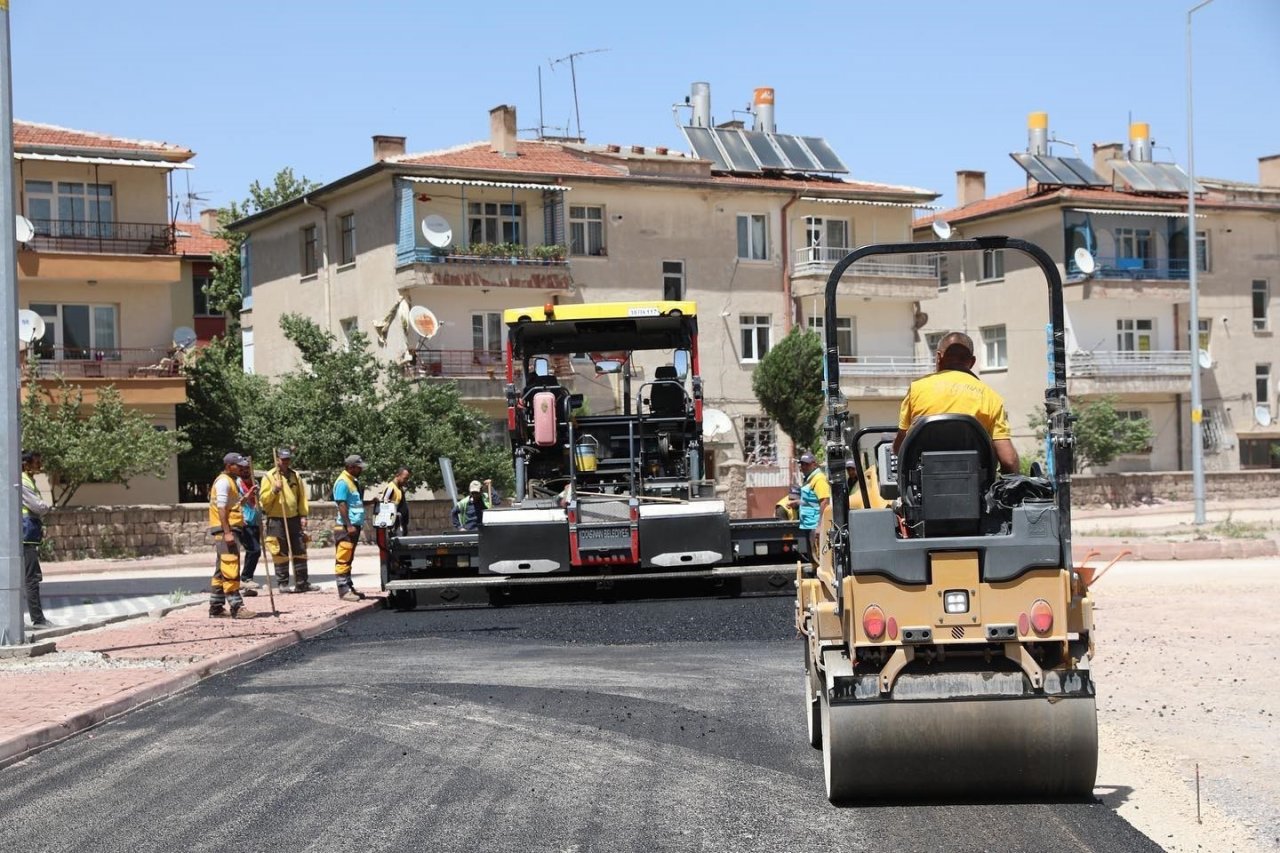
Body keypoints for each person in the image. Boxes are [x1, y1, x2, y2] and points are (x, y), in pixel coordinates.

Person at [892, 331, 1019, 474]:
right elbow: (1009, 460)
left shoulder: (917, 389)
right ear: (972, 362)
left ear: (938, 357)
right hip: (976, 485)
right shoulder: (991, 397)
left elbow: (899, 448)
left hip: (923, 486)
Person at [207, 452, 255, 619]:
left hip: (230, 529)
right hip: (225, 530)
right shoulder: (223, 482)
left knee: (221, 570)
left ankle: (216, 607)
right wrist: (227, 532)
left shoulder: (231, 481)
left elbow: (232, 506)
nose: (242, 468)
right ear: (229, 466)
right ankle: (237, 607)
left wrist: (247, 497)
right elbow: (221, 509)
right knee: (231, 567)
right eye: (239, 466)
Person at [259, 448, 313, 593]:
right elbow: (263, 500)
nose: (285, 462)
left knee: (300, 549)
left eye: (288, 459)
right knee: (280, 551)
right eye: (283, 459)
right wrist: (274, 490)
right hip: (277, 519)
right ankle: (283, 583)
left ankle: (302, 582)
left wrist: (303, 515)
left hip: (294, 518)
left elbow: (301, 497)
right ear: (277, 460)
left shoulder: (295, 475)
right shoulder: (269, 477)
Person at [20, 450, 51, 628]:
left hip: (27, 534)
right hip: (26, 534)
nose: (40, 466)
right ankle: (38, 620)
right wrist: (46, 506)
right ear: (26, 464)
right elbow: (37, 506)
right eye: (36, 462)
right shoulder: (22, 480)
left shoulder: (26, 480)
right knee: (32, 578)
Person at [332, 454, 368, 602]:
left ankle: (349, 587)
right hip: (345, 527)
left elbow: (354, 503)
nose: (361, 470)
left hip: (353, 526)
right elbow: (341, 504)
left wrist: (370, 502)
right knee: (343, 558)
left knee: (349, 559)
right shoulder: (342, 482)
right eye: (359, 468)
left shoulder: (352, 481)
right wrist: (349, 525)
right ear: (351, 467)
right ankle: (343, 591)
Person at [797, 451, 831, 565]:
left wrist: (820, 526)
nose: (803, 467)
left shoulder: (819, 479)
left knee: (817, 558)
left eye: (807, 464)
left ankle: (818, 575)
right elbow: (811, 501)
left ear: (814, 464)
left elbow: (824, 501)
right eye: (802, 464)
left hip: (814, 525)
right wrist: (797, 502)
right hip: (809, 524)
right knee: (813, 557)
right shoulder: (810, 479)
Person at [235, 456, 262, 597]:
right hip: (244, 521)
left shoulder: (255, 482)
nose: (246, 471)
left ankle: (246, 583)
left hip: (254, 521)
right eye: (243, 469)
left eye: (248, 469)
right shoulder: (236, 484)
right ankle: (245, 578)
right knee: (254, 550)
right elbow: (237, 502)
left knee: (253, 551)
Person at [376, 466, 412, 537]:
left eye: (407, 479)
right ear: (398, 475)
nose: (406, 481)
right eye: (405, 478)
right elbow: (384, 504)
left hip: (401, 525)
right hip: (395, 526)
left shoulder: (399, 487)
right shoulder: (391, 488)